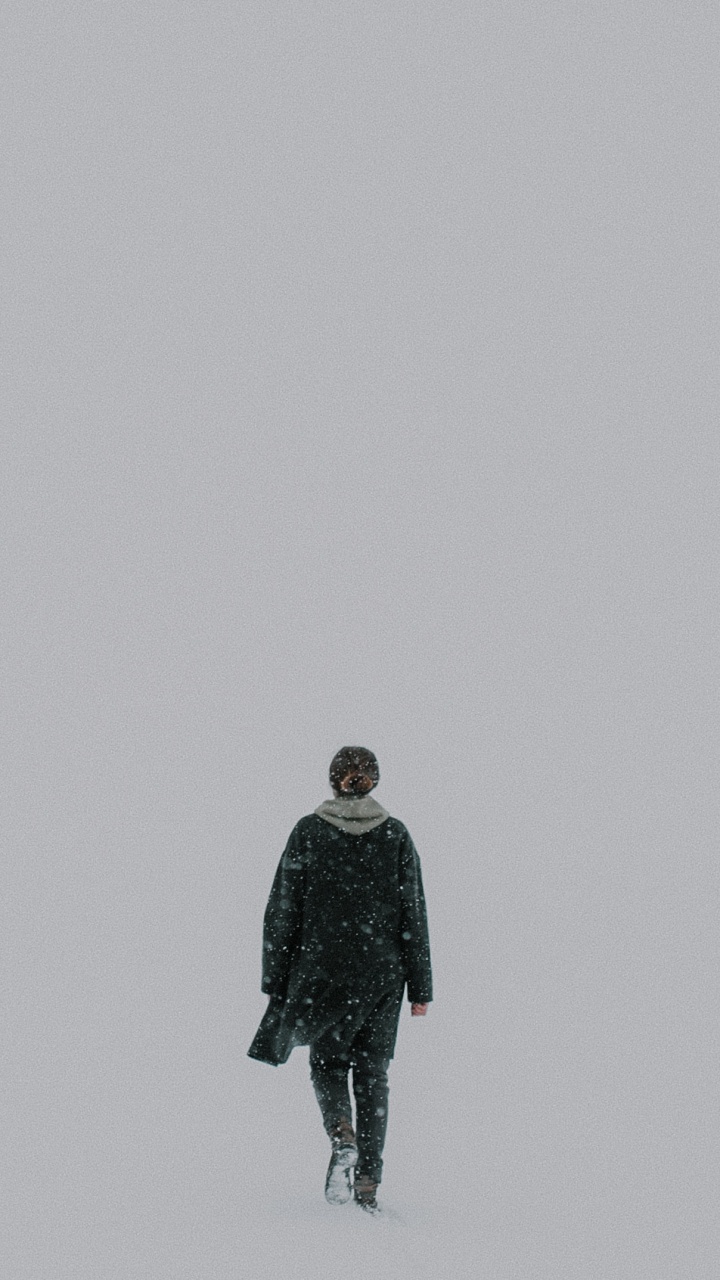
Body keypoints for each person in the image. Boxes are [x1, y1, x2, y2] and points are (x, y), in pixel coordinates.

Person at [248, 746, 432, 1213]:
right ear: (374, 781)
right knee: (373, 1074)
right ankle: (369, 1181)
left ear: (333, 782)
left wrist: (275, 977)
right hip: (382, 975)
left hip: (322, 971)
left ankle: (341, 1135)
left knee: (329, 1065)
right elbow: (414, 910)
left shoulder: (309, 832)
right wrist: (421, 987)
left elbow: (282, 907)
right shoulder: (395, 834)